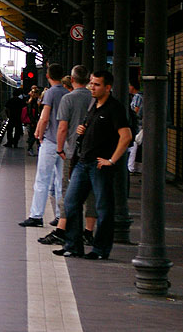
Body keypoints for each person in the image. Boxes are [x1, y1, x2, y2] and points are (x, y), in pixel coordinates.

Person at [53, 70, 132, 259]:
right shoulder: (93, 105)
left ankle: (100, 250)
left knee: (103, 207)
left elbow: (126, 136)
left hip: (99, 165)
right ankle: (73, 246)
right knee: (71, 203)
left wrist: (112, 160)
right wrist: (82, 129)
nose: (92, 87)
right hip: (83, 162)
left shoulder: (114, 108)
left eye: (96, 84)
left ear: (107, 87)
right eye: (91, 83)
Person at [38, 65, 96, 246]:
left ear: (71, 80)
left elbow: (62, 128)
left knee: (67, 191)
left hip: (72, 152)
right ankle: (88, 232)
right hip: (93, 152)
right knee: (91, 194)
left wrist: (60, 149)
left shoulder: (68, 98)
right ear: (88, 80)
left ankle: (63, 231)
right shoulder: (95, 98)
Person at [19, 64, 68, 228]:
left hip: (50, 142)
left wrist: (38, 134)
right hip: (65, 143)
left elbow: (45, 118)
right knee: (61, 181)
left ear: (48, 75)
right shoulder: (67, 93)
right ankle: (61, 216)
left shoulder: (51, 93)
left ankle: (36, 215)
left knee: (42, 180)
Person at [127, 82, 143, 174]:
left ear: (132, 86)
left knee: (134, 145)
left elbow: (135, 110)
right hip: (139, 124)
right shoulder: (140, 96)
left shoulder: (137, 96)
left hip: (138, 125)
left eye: (129, 85)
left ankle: (131, 167)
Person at [24, 87, 41, 155]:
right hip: (33, 122)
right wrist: (33, 121)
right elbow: (30, 113)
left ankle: (33, 149)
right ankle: (30, 149)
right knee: (33, 136)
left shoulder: (32, 101)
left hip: (34, 121)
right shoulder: (32, 102)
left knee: (33, 136)